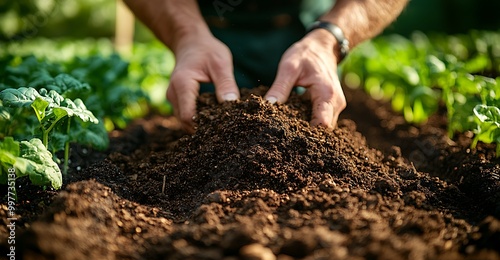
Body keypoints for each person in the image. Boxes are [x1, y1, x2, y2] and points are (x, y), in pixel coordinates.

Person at [124, 0, 409, 133]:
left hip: (310, 30)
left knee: (312, 122)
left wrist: (329, 39)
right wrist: (185, 34)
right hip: (206, 32)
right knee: (207, 129)